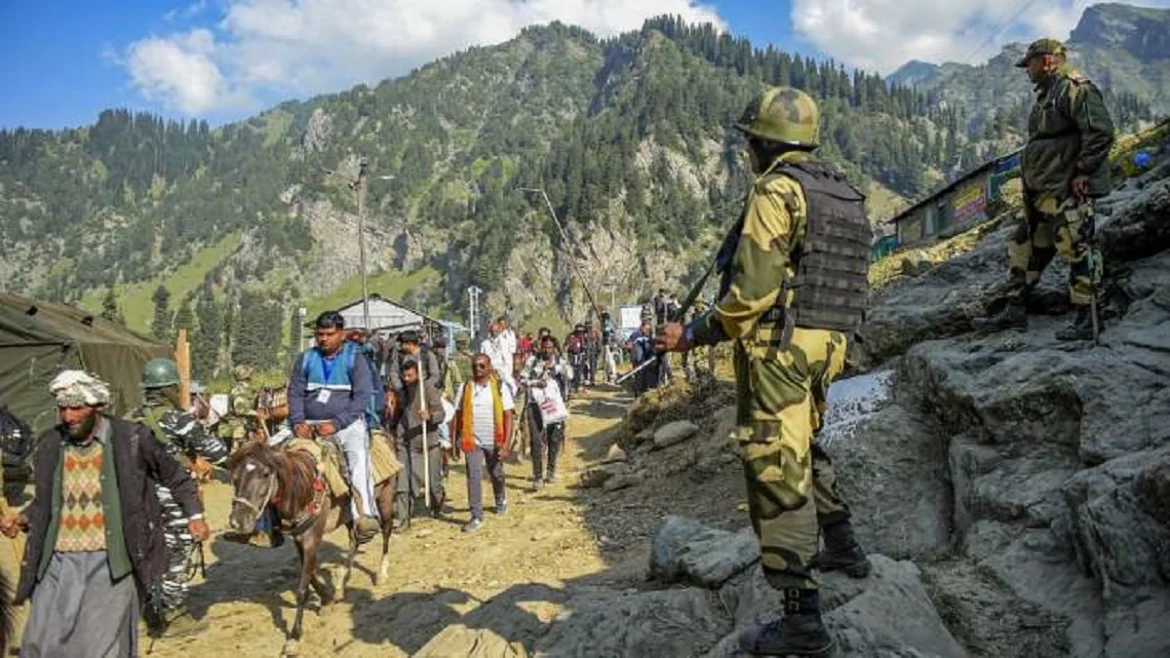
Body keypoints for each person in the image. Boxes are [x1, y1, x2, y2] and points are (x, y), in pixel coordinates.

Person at [658, 87, 872, 657]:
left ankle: (803, 625)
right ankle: (844, 546)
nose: (747, 151)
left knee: (777, 471)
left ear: (762, 143)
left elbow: (750, 296)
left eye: (749, 141)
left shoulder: (777, 190)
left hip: (780, 348)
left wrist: (694, 334)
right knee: (805, 446)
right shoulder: (842, 192)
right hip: (830, 344)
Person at [1, 370, 207, 657]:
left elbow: (176, 477)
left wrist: (194, 516)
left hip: (112, 560)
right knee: (42, 641)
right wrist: (23, 517)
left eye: (77, 408)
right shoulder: (50, 443)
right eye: (62, 409)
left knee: (100, 644)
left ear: (97, 406)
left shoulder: (132, 438)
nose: (68, 417)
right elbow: (48, 502)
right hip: (58, 560)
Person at [973, 38, 1115, 340]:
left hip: (1065, 190)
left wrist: (1083, 172)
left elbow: (1101, 132)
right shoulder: (1046, 96)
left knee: (1077, 247)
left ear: (1048, 60)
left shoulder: (1074, 88)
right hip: (1041, 194)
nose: (1027, 70)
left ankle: (1087, 317)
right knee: (1022, 247)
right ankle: (1014, 310)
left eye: (1031, 63)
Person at [132, 358, 231, 637]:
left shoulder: (129, 417)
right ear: (168, 389)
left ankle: (149, 611)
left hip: (137, 499)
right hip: (173, 497)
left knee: (147, 553)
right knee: (176, 552)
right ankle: (174, 616)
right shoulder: (178, 419)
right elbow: (218, 453)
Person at [288, 311, 381, 540]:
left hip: (347, 424)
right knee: (271, 457)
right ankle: (264, 523)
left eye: (329, 334)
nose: (324, 339)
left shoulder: (355, 359)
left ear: (342, 334)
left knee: (358, 459)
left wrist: (337, 423)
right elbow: (295, 392)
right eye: (320, 334)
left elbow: (361, 397)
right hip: (307, 423)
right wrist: (298, 421)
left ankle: (363, 515)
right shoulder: (306, 358)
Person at [452, 354, 515, 533]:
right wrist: (453, 441)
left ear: (489, 367)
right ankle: (476, 515)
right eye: (474, 366)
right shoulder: (465, 388)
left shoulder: (500, 387)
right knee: (473, 475)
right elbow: (457, 416)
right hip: (472, 440)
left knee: (496, 473)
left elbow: (508, 416)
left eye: (481, 366)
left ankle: (500, 497)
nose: (478, 370)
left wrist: (505, 445)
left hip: (494, 439)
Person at [392, 361, 445, 526]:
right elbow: (398, 414)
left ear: (418, 374)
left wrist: (430, 416)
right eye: (404, 375)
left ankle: (437, 503)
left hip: (428, 443)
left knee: (433, 485)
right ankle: (404, 519)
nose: (406, 379)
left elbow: (441, 414)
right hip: (406, 443)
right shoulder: (402, 393)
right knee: (405, 484)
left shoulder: (428, 390)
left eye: (410, 375)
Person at [521, 336, 572, 488]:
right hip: (534, 404)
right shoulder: (532, 361)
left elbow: (570, 375)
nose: (547, 350)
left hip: (554, 406)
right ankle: (537, 476)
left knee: (554, 438)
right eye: (545, 347)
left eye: (550, 347)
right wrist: (536, 382)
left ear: (554, 348)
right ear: (540, 347)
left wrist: (556, 369)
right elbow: (522, 380)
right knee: (536, 441)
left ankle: (551, 469)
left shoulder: (560, 362)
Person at [483, 318, 518, 395]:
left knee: (512, 386)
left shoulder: (504, 342)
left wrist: (508, 371)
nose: (494, 332)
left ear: (499, 330)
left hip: (503, 369)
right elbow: (483, 359)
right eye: (492, 331)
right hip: (490, 369)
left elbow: (507, 358)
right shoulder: (485, 344)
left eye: (496, 330)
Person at [626, 320, 659, 395]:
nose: (647, 331)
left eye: (648, 329)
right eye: (646, 329)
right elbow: (629, 345)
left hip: (646, 360)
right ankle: (637, 393)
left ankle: (644, 391)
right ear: (641, 327)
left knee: (646, 376)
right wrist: (631, 347)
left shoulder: (649, 336)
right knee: (639, 376)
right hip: (637, 359)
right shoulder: (635, 334)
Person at [564, 324, 588, 394]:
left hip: (581, 355)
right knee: (572, 371)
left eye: (581, 331)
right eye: (578, 331)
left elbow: (586, 346)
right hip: (572, 355)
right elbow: (566, 345)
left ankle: (577, 386)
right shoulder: (571, 336)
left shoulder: (583, 336)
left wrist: (585, 353)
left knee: (579, 371)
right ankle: (572, 386)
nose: (579, 333)